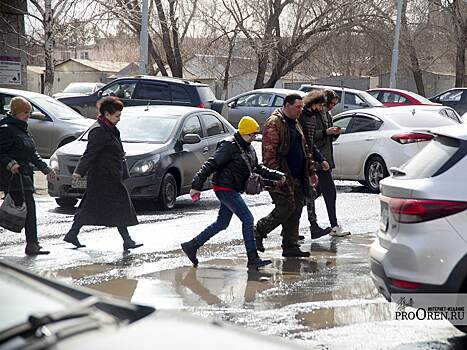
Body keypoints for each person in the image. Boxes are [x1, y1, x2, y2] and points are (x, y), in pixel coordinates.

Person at [181, 116, 285, 268]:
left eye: (255, 135)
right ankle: (252, 258)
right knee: (248, 219)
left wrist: (277, 175)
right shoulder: (228, 146)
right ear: (243, 133)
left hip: (233, 188)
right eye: (252, 135)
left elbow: (256, 168)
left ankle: (192, 245)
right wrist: (196, 185)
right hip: (224, 188)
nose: (253, 137)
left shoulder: (248, 147)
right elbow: (210, 164)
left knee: (222, 223)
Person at [63, 96, 143, 250]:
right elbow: (89, 153)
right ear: (107, 114)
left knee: (96, 206)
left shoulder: (110, 128)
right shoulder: (98, 131)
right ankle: (127, 240)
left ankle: (73, 234)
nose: (119, 119)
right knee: (113, 206)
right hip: (102, 177)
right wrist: (79, 172)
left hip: (111, 175)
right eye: (117, 115)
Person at [254, 94, 317, 258]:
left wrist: (311, 171)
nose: (300, 110)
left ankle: (290, 245)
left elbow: (305, 148)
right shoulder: (274, 123)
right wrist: (277, 177)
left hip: (297, 176)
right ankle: (259, 231)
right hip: (280, 176)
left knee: (296, 208)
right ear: (287, 106)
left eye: (301, 107)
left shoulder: (295, 123)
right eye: (298, 107)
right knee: (286, 207)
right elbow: (269, 155)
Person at [0, 96, 56, 255]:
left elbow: (32, 153)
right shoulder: (6, 129)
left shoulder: (23, 129)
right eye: (25, 112)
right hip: (13, 176)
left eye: (29, 113)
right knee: (25, 210)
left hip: (25, 176)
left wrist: (46, 169)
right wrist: (10, 163)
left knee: (26, 211)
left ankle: (32, 244)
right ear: (16, 112)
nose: (28, 116)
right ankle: (32, 244)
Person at [313, 89, 350, 237]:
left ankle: (289, 220)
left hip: (325, 158)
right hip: (318, 159)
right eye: (331, 104)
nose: (332, 107)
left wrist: (334, 134)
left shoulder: (327, 115)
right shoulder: (315, 115)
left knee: (316, 193)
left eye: (334, 105)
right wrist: (326, 132)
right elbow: (310, 137)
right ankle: (334, 225)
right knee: (329, 191)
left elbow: (327, 138)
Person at [298, 90, 333, 239]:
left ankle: (291, 228)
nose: (321, 108)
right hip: (303, 161)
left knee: (305, 197)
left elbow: (310, 144)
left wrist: (320, 159)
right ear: (314, 104)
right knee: (306, 196)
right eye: (320, 105)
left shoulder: (309, 117)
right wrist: (317, 159)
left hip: (308, 160)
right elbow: (307, 143)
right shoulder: (304, 117)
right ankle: (311, 227)